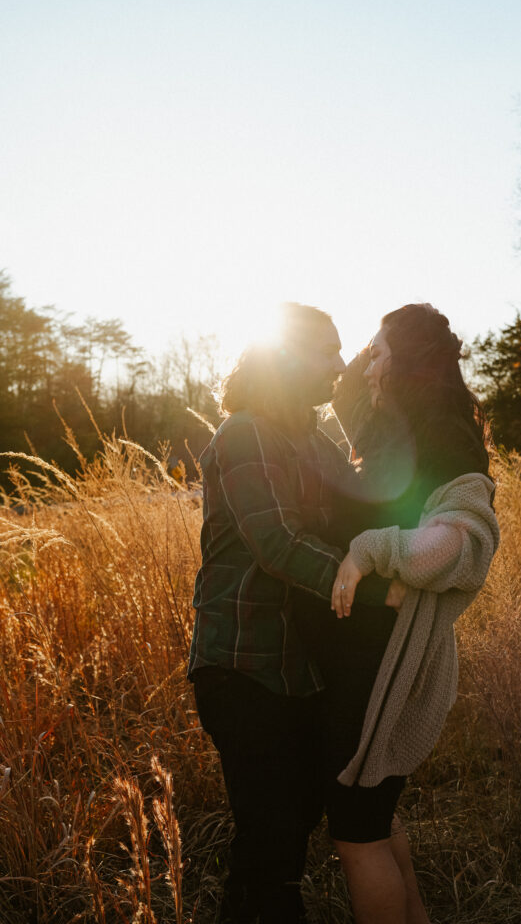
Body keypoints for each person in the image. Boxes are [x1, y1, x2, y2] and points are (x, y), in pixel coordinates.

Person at [187, 303, 395, 924]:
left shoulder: (311, 436)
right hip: (243, 664)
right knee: (270, 841)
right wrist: (383, 590)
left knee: (288, 830)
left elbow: (360, 504)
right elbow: (278, 544)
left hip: (298, 668)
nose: (338, 363)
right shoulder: (247, 431)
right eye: (327, 351)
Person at [294, 303, 500, 924]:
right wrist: (380, 348)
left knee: (357, 836)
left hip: (379, 664)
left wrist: (369, 550)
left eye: (380, 353)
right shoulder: (390, 435)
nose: (367, 363)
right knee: (376, 823)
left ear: (406, 367)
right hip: (364, 656)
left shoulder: (441, 441)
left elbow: (461, 541)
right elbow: (351, 385)